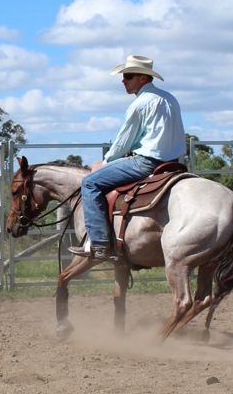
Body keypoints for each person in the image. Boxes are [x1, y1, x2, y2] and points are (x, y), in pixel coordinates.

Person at [69, 55, 186, 262]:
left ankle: (99, 244)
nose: (123, 80)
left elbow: (124, 142)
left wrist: (105, 162)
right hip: (173, 164)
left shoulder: (140, 104)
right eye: (124, 76)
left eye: (128, 76)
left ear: (143, 78)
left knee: (89, 183)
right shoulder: (170, 99)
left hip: (146, 162)